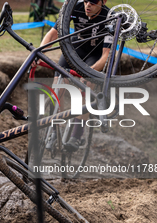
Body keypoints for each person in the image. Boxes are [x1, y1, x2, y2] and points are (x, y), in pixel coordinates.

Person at [34, 0, 112, 152]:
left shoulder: (109, 16)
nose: (88, 5)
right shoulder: (74, 6)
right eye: (85, 0)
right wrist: (39, 54)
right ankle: (54, 130)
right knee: (58, 85)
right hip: (75, 49)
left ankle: (77, 135)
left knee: (87, 86)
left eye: (93, 1)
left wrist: (89, 73)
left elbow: (106, 56)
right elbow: (52, 34)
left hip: (95, 54)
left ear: (104, 1)